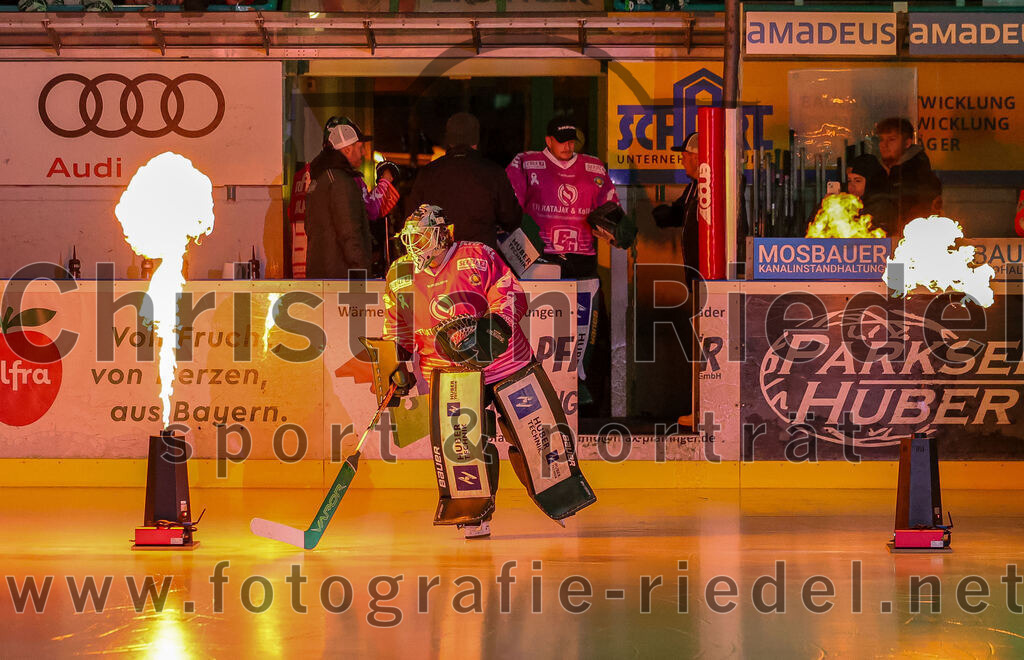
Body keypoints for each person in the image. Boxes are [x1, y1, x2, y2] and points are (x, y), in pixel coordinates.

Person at [381, 204, 596, 539]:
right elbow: (398, 327)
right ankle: (472, 511)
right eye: (412, 239)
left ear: (443, 233)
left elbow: (510, 294)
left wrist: (491, 331)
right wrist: (396, 364)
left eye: (424, 237)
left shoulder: (477, 256)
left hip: (506, 362)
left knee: (532, 437)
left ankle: (559, 494)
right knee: (466, 445)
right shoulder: (400, 274)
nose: (417, 246)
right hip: (450, 373)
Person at [506, 117, 625, 278]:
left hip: (583, 256)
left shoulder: (593, 167)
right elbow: (508, 207)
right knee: (546, 302)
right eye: (562, 141)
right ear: (549, 141)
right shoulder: (526, 162)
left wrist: (621, 232)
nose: (568, 147)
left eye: (571, 141)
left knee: (588, 302)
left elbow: (610, 205)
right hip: (542, 255)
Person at [406, 112, 522, 250]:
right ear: (476, 140)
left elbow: (412, 219)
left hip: (440, 259)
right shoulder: (493, 172)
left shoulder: (428, 173)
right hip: (479, 259)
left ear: (449, 140)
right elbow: (511, 218)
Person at [305, 116, 374, 279]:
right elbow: (349, 233)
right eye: (360, 147)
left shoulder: (320, 178)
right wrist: (363, 275)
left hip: (321, 275)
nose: (363, 152)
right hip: (342, 278)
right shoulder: (341, 181)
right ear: (347, 149)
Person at [875, 117, 941, 231]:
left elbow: (919, 214)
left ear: (907, 143)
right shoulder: (878, 171)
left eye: (891, 139)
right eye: (881, 139)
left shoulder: (919, 174)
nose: (884, 144)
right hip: (877, 239)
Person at [652, 131, 701, 281]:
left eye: (684, 157)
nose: (682, 162)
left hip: (713, 273)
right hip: (696, 270)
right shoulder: (693, 187)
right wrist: (662, 214)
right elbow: (679, 214)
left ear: (698, 157)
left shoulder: (719, 186)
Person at [845, 153, 897, 236]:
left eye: (857, 181)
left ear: (871, 182)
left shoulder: (882, 208)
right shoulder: (848, 203)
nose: (851, 186)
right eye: (849, 181)